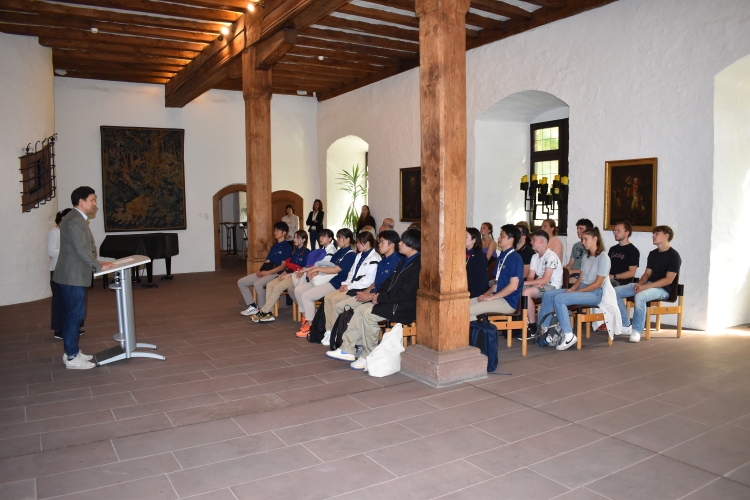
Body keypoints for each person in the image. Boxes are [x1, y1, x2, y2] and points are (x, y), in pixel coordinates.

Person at [327, 229, 421, 370]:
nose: (399, 243)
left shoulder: (418, 265)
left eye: (403, 241)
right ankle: (347, 349)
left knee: (369, 315)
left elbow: (405, 293)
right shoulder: (405, 261)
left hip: (403, 306)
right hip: (392, 301)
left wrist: (380, 297)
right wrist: (377, 296)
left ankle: (368, 356)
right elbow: (388, 283)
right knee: (360, 309)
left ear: (412, 244)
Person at [53, 187, 113, 369]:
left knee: (75, 314)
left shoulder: (76, 219)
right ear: (81, 201)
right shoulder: (75, 221)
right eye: (92, 200)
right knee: (75, 315)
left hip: (74, 274)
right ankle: (71, 357)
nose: (95, 204)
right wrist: (97, 266)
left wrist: (98, 262)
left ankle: (73, 351)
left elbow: (79, 249)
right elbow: (80, 250)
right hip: (72, 276)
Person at [537, 227, 611, 351]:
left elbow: (598, 283)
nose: (583, 242)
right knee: (548, 295)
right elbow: (580, 279)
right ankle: (544, 329)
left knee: (560, 299)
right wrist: (572, 289)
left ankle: (568, 335)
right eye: (582, 239)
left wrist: (577, 291)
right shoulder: (586, 257)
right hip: (582, 289)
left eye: (585, 239)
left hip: (594, 294)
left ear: (595, 239)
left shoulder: (604, 258)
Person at [614, 225, 681, 343]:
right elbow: (647, 274)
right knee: (614, 292)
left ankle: (636, 330)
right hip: (649, 284)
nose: (653, 236)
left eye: (656, 234)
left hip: (663, 289)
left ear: (666, 236)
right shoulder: (653, 254)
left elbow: (668, 280)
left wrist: (644, 287)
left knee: (639, 296)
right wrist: (639, 284)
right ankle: (626, 325)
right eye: (653, 234)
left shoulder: (674, 256)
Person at [326, 230, 403, 328]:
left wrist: (368, 295)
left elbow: (389, 288)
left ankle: (338, 334)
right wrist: (363, 293)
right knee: (329, 299)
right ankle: (332, 333)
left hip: (378, 297)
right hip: (368, 292)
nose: (379, 245)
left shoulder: (395, 262)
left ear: (391, 245)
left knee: (341, 305)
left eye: (382, 242)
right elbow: (370, 281)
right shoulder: (382, 261)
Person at [293, 228, 356, 337]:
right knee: (298, 290)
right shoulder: (340, 251)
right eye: (338, 237)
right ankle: (305, 321)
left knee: (307, 296)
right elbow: (327, 265)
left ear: (348, 239)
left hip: (336, 283)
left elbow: (335, 270)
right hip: (327, 279)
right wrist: (311, 270)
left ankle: (311, 326)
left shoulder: (350, 254)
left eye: (340, 237)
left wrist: (316, 270)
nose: (338, 240)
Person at [321, 231, 381, 343]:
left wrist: (349, 286)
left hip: (361, 289)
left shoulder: (374, 258)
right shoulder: (359, 255)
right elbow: (352, 273)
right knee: (328, 298)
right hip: (352, 286)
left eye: (359, 243)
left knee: (335, 300)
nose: (357, 245)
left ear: (367, 243)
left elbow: (367, 281)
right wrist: (345, 284)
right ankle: (329, 330)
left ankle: (336, 333)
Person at [250, 230, 310, 322]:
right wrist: (284, 273)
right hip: (288, 274)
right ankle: (269, 313)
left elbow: (303, 269)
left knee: (278, 287)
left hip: (296, 277)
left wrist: (288, 275)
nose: (294, 239)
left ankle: (264, 311)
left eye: (297, 238)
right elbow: (289, 266)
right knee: (270, 284)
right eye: (294, 237)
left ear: (303, 239)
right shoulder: (294, 252)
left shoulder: (306, 252)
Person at [469, 225, 524, 320]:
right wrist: (486, 294)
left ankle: (476, 333)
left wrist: (491, 297)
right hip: (497, 297)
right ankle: (476, 331)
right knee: (461, 306)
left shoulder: (515, 258)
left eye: (502, 236)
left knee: (467, 311)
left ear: (511, 239)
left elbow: (513, 286)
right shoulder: (502, 257)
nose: (499, 238)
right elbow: (496, 282)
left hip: (506, 302)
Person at [238, 221, 292, 316]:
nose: (275, 232)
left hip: (276, 273)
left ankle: (262, 310)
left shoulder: (287, 247)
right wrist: (260, 270)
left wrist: (267, 273)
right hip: (267, 271)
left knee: (257, 284)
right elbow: (267, 261)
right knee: (241, 282)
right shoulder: (274, 246)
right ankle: (253, 306)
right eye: (275, 230)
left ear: (284, 233)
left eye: (278, 230)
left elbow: (282, 266)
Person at [521, 230, 563, 332]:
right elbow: (530, 277)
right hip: (541, 285)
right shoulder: (534, 257)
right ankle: (520, 323)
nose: (530, 242)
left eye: (533, 239)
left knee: (526, 292)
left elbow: (545, 280)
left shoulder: (551, 256)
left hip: (553, 287)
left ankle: (532, 326)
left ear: (541, 241)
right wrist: (534, 283)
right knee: (516, 288)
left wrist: (524, 283)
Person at [49, 208, 75, 340]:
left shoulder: (68, 231)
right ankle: (59, 329)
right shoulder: (54, 232)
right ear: (62, 218)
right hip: (57, 270)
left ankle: (73, 328)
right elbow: (51, 251)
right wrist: (69, 250)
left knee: (71, 300)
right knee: (59, 301)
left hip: (69, 270)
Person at [608, 220, 640, 287]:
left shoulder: (633, 251)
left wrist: (613, 277)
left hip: (622, 283)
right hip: (608, 280)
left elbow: (631, 273)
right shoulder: (612, 249)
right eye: (615, 231)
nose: (615, 233)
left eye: (619, 231)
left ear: (627, 233)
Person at [466, 227, 489, 299]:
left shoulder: (479, 256)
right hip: (464, 289)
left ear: (474, 240)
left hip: (475, 293)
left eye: (466, 236)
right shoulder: (463, 253)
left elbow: (480, 280)